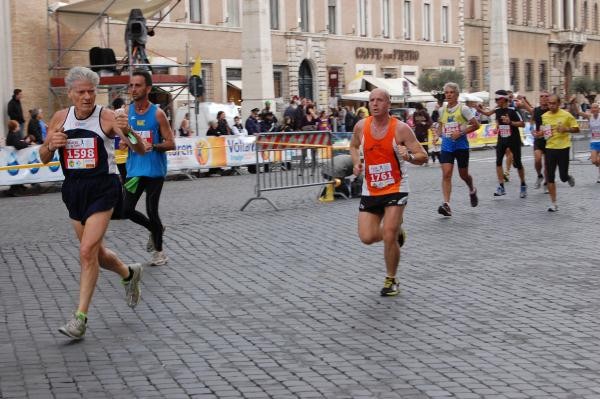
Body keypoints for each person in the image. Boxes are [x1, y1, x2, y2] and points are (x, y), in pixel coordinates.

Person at [38, 66, 146, 340]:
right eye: (81, 92)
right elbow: (43, 157)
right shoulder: (60, 118)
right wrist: (51, 145)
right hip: (74, 190)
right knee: (96, 254)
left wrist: (129, 130)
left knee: (86, 251)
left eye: (91, 91)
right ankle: (128, 272)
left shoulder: (108, 117)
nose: (87, 97)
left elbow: (139, 148)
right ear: (70, 93)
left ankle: (80, 318)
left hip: (103, 188)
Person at [350, 88, 427, 296]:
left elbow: (423, 155)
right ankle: (394, 234)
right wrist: (357, 163)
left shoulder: (400, 129)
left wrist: (408, 156)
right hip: (371, 187)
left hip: (396, 187)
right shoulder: (360, 126)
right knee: (366, 237)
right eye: (371, 100)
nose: (374, 104)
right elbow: (354, 146)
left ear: (388, 104)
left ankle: (391, 280)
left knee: (389, 232)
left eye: (379, 100)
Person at [119, 70, 175, 266]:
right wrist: (125, 143)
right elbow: (129, 138)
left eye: (138, 85)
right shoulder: (127, 113)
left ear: (148, 89)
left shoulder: (158, 114)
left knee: (152, 210)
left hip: (154, 171)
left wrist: (155, 146)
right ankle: (156, 229)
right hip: (134, 170)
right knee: (126, 210)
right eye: (131, 85)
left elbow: (171, 143)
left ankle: (159, 253)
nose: (133, 89)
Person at [435, 82, 480, 216]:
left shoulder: (464, 109)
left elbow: (476, 125)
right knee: (446, 173)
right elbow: (441, 125)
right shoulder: (441, 110)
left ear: (457, 94)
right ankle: (447, 205)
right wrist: (437, 133)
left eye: (451, 92)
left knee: (463, 175)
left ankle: (472, 189)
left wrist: (460, 133)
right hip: (447, 146)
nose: (448, 95)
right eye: (446, 92)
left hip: (461, 146)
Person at [479, 90, 527, 198]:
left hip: (514, 139)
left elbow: (522, 124)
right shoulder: (497, 109)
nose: (496, 101)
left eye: (497, 99)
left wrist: (510, 122)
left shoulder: (513, 109)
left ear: (504, 99)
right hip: (502, 139)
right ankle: (501, 186)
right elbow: (488, 113)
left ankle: (523, 184)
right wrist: (478, 109)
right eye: (495, 99)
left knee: (518, 163)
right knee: (498, 162)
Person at [541, 94, 579, 212]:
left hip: (563, 148)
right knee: (550, 177)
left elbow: (577, 129)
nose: (551, 105)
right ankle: (554, 203)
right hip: (550, 148)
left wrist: (566, 129)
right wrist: (540, 134)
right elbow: (546, 132)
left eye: (553, 103)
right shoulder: (544, 116)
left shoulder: (566, 115)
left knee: (562, 176)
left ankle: (567, 177)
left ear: (558, 104)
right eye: (549, 103)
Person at [518, 91, 549, 192]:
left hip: (549, 139)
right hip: (539, 139)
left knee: (547, 164)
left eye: (546, 96)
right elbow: (531, 121)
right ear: (539, 99)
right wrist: (531, 129)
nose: (544, 98)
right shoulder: (536, 110)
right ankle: (539, 175)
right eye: (541, 96)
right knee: (538, 159)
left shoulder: (552, 110)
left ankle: (546, 183)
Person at [576, 102, 600, 182]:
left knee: (599, 160)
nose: (594, 109)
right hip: (594, 142)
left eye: (596, 107)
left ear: (598, 109)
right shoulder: (590, 117)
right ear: (591, 110)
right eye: (593, 108)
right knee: (594, 161)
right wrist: (573, 103)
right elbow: (579, 112)